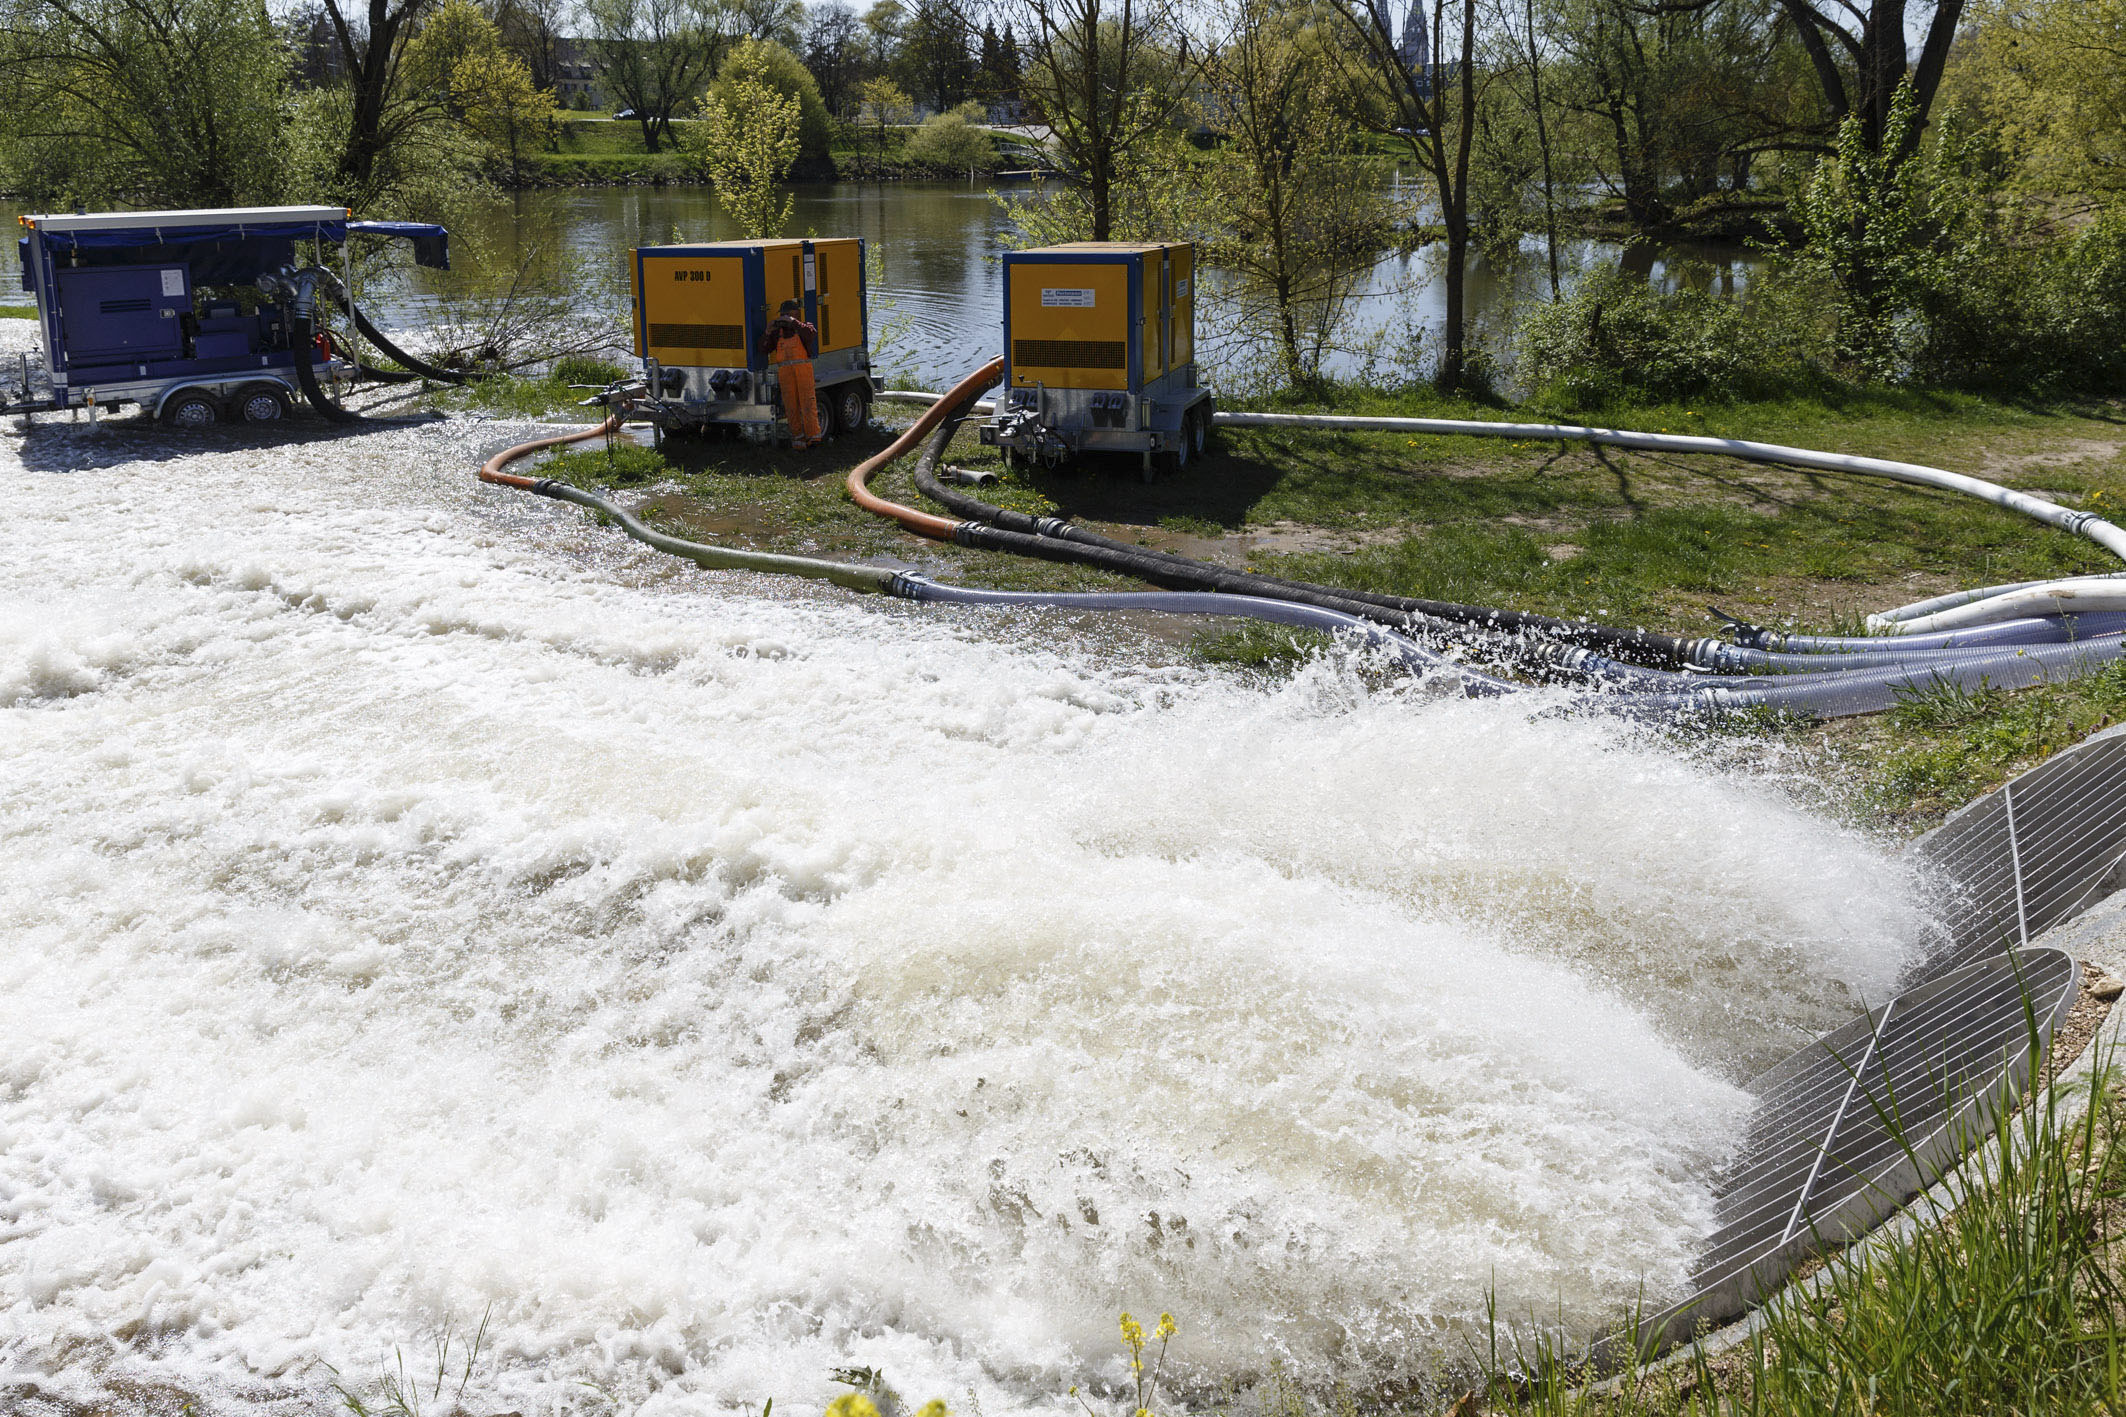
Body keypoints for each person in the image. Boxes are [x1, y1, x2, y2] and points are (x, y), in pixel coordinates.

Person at [761, 299, 822, 449]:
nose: (783, 318)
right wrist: (767, 333)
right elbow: (763, 349)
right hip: (786, 375)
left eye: (785, 315)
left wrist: (793, 322)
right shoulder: (777, 334)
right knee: (791, 406)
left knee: (807, 403)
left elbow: (810, 334)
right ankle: (798, 440)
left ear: (794, 314)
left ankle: (814, 439)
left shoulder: (804, 327)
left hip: (803, 373)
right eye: (782, 315)